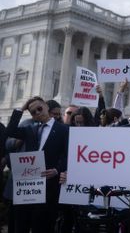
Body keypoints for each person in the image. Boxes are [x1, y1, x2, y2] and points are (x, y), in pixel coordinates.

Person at [5, 96, 69, 233]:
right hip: (27, 186)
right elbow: (10, 131)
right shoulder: (29, 129)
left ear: (46, 106)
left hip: (49, 186)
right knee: (20, 225)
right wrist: (21, 109)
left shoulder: (64, 130)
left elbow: (67, 155)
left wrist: (57, 170)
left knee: (43, 226)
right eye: (33, 112)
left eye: (39, 109)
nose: (38, 113)